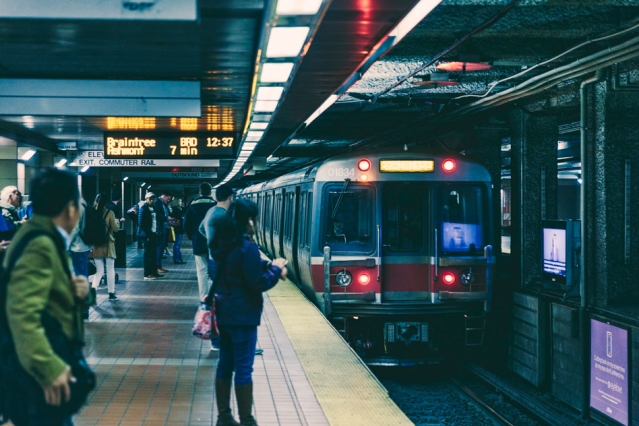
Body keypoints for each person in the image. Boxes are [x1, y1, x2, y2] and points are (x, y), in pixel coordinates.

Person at [2, 167, 90, 425]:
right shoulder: (40, 243)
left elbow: (44, 295)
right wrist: (49, 367)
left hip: (40, 363)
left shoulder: (42, 235)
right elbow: (22, 312)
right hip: (40, 373)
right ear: (70, 208)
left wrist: (79, 294)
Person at [210, 199, 287, 426]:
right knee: (244, 367)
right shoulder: (248, 247)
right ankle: (247, 420)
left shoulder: (221, 243)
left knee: (225, 364)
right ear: (249, 221)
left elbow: (234, 269)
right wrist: (275, 269)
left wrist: (265, 266)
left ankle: (224, 416)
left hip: (223, 314)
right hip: (243, 316)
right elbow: (256, 283)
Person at [199, 183, 233, 351]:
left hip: (215, 261)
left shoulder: (210, 212)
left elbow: (200, 229)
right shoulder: (222, 215)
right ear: (230, 197)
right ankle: (218, 342)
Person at [183, 183, 216, 300]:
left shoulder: (192, 207)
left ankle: (204, 298)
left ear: (200, 192)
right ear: (210, 192)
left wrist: (193, 237)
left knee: (201, 271)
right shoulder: (216, 206)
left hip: (198, 242)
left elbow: (186, 225)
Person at [89, 193, 122, 301]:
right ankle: (111, 293)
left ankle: (93, 288)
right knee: (110, 269)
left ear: (96, 201)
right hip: (108, 243)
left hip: (96, 245)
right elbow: (115, 228)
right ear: (106, 203)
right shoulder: (109, 213)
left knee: (99, 270)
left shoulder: (91, 213)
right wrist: (117, 222)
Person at [69, 198, 93, 318]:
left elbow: (74, 228)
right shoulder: (84, 204)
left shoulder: (76, 206)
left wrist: (66, 244)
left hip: (76, 247)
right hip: (83, 246)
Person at [138, 192, 162, 280]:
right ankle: (147, 274)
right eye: (150, 199)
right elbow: (141, 224)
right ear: (146, 199)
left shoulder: (154, 208)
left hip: (154, 233)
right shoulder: (143, 209)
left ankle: (154, 272)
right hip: (147, 235)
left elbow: (157, 220)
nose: (152, 200)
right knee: (147, 255)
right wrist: (149, 233)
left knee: (154, 254)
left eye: (153, 198)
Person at [154, 191, 172, 274]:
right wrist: (166, 218)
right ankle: (158, 266)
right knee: (159, 247)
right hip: (160, 227)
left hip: (164, 227)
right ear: (164, 196)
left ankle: (159, 266)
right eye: (167, 198)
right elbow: (158, 215)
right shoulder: (157, 202)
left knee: (161, 247)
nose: (167, 200)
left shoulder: (162, 203)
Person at [169, 198, 186, 264]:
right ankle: (177, 259)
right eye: (180, 201)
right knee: (177, 244)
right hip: (178, 228)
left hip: (179, 228)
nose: (181, 202)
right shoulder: (176, 210)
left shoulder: (178, 209)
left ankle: (178, 258)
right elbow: (179, 217)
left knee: (178, 244)